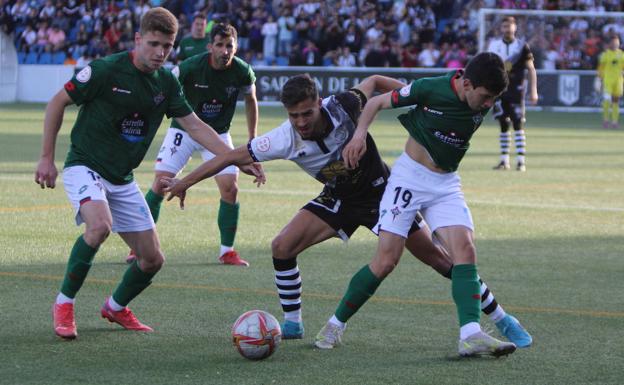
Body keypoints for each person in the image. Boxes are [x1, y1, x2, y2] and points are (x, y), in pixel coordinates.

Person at [160, 74, 531, 349]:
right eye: (294, 116)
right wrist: (184, 182)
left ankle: (500, 317)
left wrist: (407, 94)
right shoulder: (283, 139)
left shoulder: (343, 106)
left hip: (382, 193)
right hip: (337, 198)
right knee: (281, 246)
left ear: (319, 103)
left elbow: (372, 84)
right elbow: (229, 155)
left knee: (440, 260)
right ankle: (292, 323)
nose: (301, 122)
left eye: (307, 113)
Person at [34, 7, 263, 340]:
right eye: (154, 44)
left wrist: (233, 157)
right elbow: (57, 102)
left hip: (122, 178)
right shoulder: (106, 70)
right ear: (138, 39)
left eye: (167, 47)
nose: (160, 53)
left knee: (153, 260)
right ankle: (64, 303)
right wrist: (45, 158)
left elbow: (195, 125)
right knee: (99, 227)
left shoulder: (166, 82)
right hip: (85, 165)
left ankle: (114, 306)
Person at [314, 52, 518, 357]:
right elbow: (375, 102)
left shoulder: (477, 94)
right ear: (467, 84)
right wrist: (358, 136)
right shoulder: (432, 88)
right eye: (486, 97)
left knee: (465, 250)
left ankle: (470, 335)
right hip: (409, 179)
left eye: (494, 98)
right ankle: (334, 324)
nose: (489, 105)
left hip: (445, 183)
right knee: (386, 262)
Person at [126, 23, 258, 267]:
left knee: (230, 188)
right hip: (184, 129)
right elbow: (163, 85)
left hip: (217, 135)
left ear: (236, 47)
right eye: (219, 45)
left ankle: (227, 251)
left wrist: (252, 138)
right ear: (210, 47)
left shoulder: (242, 71)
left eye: (230, 45)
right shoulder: (190, 66)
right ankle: (139, 248)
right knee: (161, 183)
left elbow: (251, 100)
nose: (225, 50)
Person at [487, 16, 538, 172]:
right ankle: (504, 161)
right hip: (499, 91)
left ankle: (521, 161)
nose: (507, 29)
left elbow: (531, 68)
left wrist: (533, 90)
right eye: (504, 26)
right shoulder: (494, 45)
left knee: (518, 124)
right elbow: (488, 68)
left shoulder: (522, 46)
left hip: (517, 91)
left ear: (515, 28)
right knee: (503, 124)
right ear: (501, 29)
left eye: (510, 26)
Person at [597, 35, 624, 129]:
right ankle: (605, 120)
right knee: (607, 100)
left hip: (618, 81)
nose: (615, 44)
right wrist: (599, 79)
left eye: (617, 42)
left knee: (616, 101)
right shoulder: (605, 54)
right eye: (613, 42)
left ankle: (615, 122)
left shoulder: (621, 54)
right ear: (610, 44)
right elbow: (601, 68)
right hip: (608, 80)